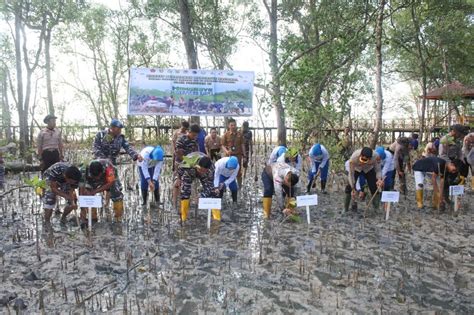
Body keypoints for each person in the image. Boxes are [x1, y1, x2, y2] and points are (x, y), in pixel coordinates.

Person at [79, 159, 124, 225]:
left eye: (98, 176)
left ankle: (118, 218)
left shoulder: (108, 167)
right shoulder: (83, 171)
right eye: (95, 176)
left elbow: (110, 183)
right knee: (87, 195)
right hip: (90, 180)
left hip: (108, 178)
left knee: (117, 196)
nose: (97, 178)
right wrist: (83, 201)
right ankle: (93, 218)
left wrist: (95, 191)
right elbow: (81, 189)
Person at [177, 152, 216, 222]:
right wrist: (179, 179)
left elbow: (210, 186)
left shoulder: (211, 169)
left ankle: (216, 218)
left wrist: (201, 196)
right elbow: (180, 169)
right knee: (185, 192)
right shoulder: (188, 161)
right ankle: (183, 217)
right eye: (200, 170)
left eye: (203, 171)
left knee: (212, 192)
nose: (201, 172)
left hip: (205, 176)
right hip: (189, 172)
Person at [221, 118, 246, 186]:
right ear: (229, 126)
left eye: (234, 125)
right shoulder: (226, 135)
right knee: (227, 171)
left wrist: (244, 156)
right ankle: (225, 186)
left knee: (238, 172)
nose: (233, 126)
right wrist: (226, 151)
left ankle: (240, 187)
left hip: (238, 156)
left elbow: (242, 145)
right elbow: (222, 145)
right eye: (231, 125)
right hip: (229, 156)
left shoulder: (240, 134)